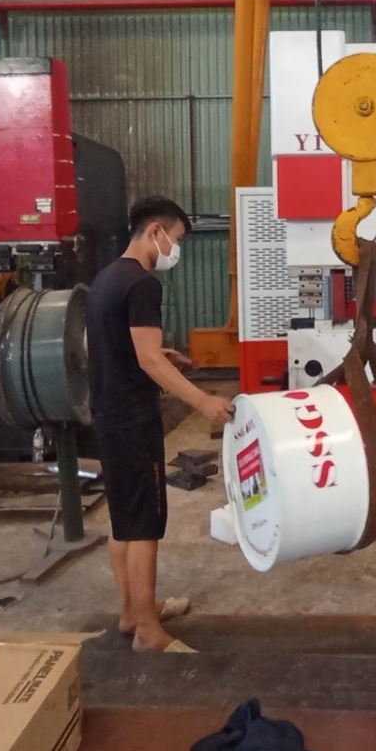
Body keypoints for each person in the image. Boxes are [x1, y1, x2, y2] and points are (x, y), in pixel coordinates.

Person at [86, 195, 234, 652]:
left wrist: (159, 354)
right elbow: (148, 359)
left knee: (123, 519)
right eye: (178, 238)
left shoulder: (106, 278)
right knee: (144, 524)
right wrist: (202, 400)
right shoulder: (143, 284)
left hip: (107, 414)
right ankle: (149, 632)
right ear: (156, 232)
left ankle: (133, 612)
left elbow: (100, 342)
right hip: (133, 421)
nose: (177, 249)